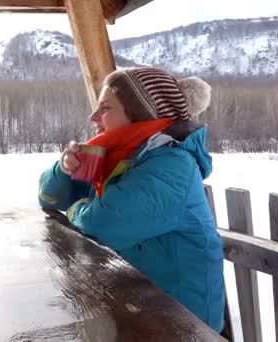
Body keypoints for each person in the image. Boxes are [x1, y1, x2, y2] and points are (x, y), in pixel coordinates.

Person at [38, 67, 225, 333]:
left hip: (186, 326)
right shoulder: (119, 157)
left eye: (105, 108)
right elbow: (48, 198)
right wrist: (64, 168)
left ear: (139, 114)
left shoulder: (171, 165)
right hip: (138, 307)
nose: (93, 117)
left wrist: (76, 209)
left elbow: (101, 225)